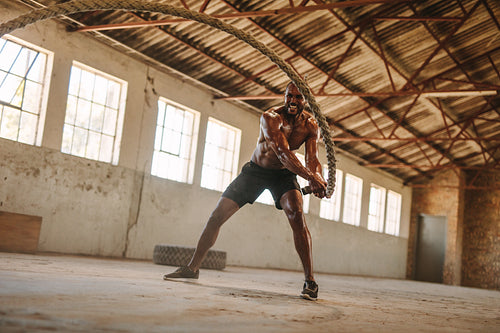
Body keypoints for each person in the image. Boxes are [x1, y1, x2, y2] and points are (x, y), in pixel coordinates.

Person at [164, 82, 328, 301]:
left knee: (297, 215)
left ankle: (310, 282)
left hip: (283, 176)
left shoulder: (310, 125)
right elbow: (282, 153)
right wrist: (310, 177)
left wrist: (318, 176)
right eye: (290, 95)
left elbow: (312, 159)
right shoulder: (270, 118)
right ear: (285, 96)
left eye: (298, 97)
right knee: (216, 216)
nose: (293, 101)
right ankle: (192, 268)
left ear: (306, 100)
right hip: (256, 172)